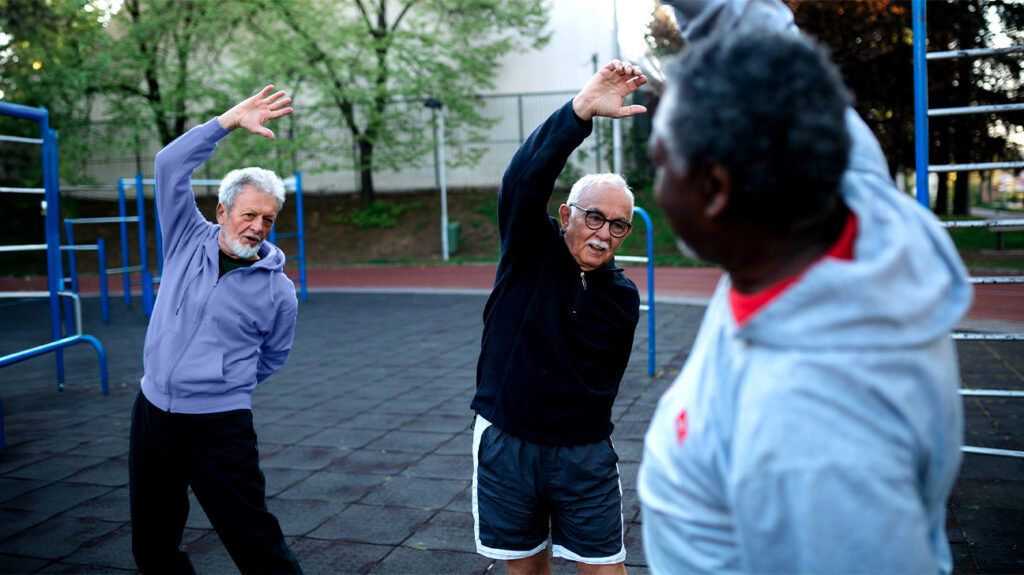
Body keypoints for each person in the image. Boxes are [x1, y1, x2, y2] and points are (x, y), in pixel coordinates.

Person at [638, 1, 974, 573]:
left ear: (715, 188)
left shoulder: (813, 434)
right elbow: (741, 19)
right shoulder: (839, 179)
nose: (657, 183)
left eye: (662, 163)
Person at [469, 60, 647, 575]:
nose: (603, 233)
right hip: (510, 441)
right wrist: (578, 113)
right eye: (594, 216)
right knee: (526, 570)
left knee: (605, 568)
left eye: (619, 226)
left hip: (583, 453)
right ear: (567, 214)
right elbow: (523, 179)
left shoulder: (621, 297)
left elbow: (603, 377)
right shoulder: (529, 252)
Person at [129, 85, 302, 575]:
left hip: (219, 426)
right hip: (153, 413)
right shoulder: (186, 238)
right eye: (249, 214)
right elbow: (168, 165)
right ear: (222, 211)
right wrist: (227, 121)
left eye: (268, 219)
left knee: (255, 543)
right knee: (153, 541)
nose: (257, 226)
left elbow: (273, 356)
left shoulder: (278, 291)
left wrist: (224, 382)